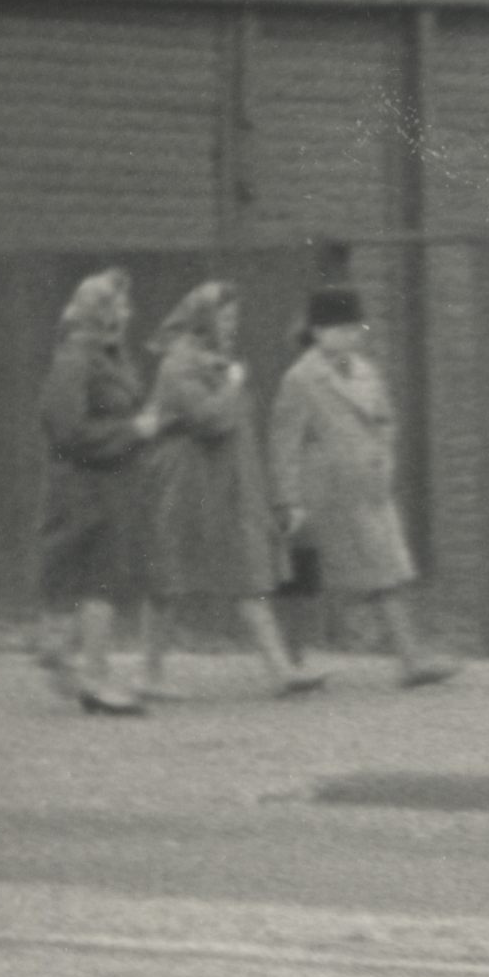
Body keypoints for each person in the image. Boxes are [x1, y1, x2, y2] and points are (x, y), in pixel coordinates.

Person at [268, 285, 457, 689]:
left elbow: (386, 418)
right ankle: (292, 664)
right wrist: (288, 499)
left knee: (384, 568)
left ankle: (410, 660)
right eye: (341, 329)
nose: (351, 336)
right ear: (318, 332)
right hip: (322, 493)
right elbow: (284, 444)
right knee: (308, 577)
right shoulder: (301, 379)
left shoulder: (366, 371)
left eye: (355, 329)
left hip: (368, 489)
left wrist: (384, 455)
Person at [140, 282, 321, 699]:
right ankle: (149, 676)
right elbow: (208, 420)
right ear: (202, 318)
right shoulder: (178, 363)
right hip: (186, 483)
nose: (230, 326)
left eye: (234, 318)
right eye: (223, 318)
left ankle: (281, 672)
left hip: (226, 482)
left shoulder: (217, 362)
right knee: (170, 577)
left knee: (245, 572)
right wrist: (233, 385)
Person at [34, 267, 156, 715]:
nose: (127, 313)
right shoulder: (77, 357)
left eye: (126, 304)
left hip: (113, 484)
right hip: (84, 487)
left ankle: (73, 662)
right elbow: (66, 429)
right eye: (117, 305)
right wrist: (133, 431)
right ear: (97, 312)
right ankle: (86, 673)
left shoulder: (111, 357)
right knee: (92, 578)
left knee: (101, 579)